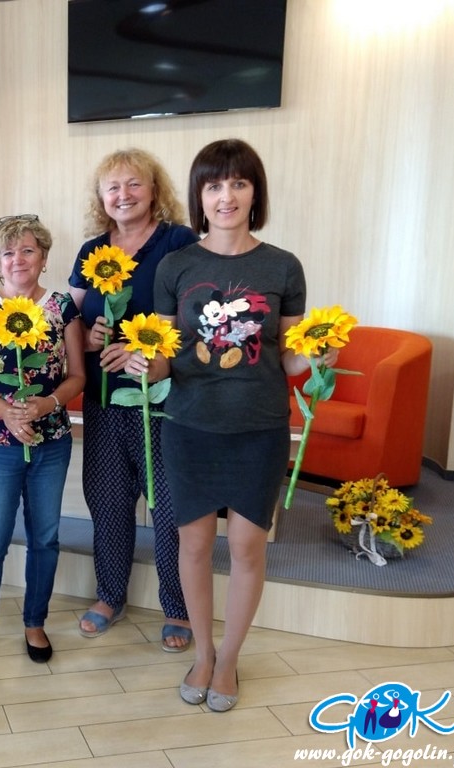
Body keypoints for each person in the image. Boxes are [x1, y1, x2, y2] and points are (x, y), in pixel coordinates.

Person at [142, 138, 328, 711]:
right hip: (189, 426)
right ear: (200, 197)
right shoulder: (175, 266)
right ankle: (203, 653)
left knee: (247, 548)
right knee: (194, 545)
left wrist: (319, 354)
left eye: (239, 183)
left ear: (255, 193)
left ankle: (229, 660)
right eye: (214, 185)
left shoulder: (283, 266)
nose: (227, 196)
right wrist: (142, 361)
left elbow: (289, 359)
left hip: (259, 426)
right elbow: (165, 358)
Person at [67, 148, 198, 650]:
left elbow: (195, 316)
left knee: (168, 507)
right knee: (108, 501)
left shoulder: (178, 241)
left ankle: (178, 607)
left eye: (134, 184)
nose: (123, 195)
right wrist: (87, 337)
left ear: (154, 189)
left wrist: (146, 348)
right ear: (101, 198)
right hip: (103, 400)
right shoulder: (91, 252)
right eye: (113, 187)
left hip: (161, 402)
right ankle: (109, 596)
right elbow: (68, 322)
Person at [0, 215, 85, 663]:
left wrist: (48, 403)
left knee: (45, 537)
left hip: (52, 441)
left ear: (43, 257)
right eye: (8, 252)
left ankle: (34, 622)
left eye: (28, 250)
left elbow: (77, 375)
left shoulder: (62, 307)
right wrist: (5, 411)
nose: (18, 259)